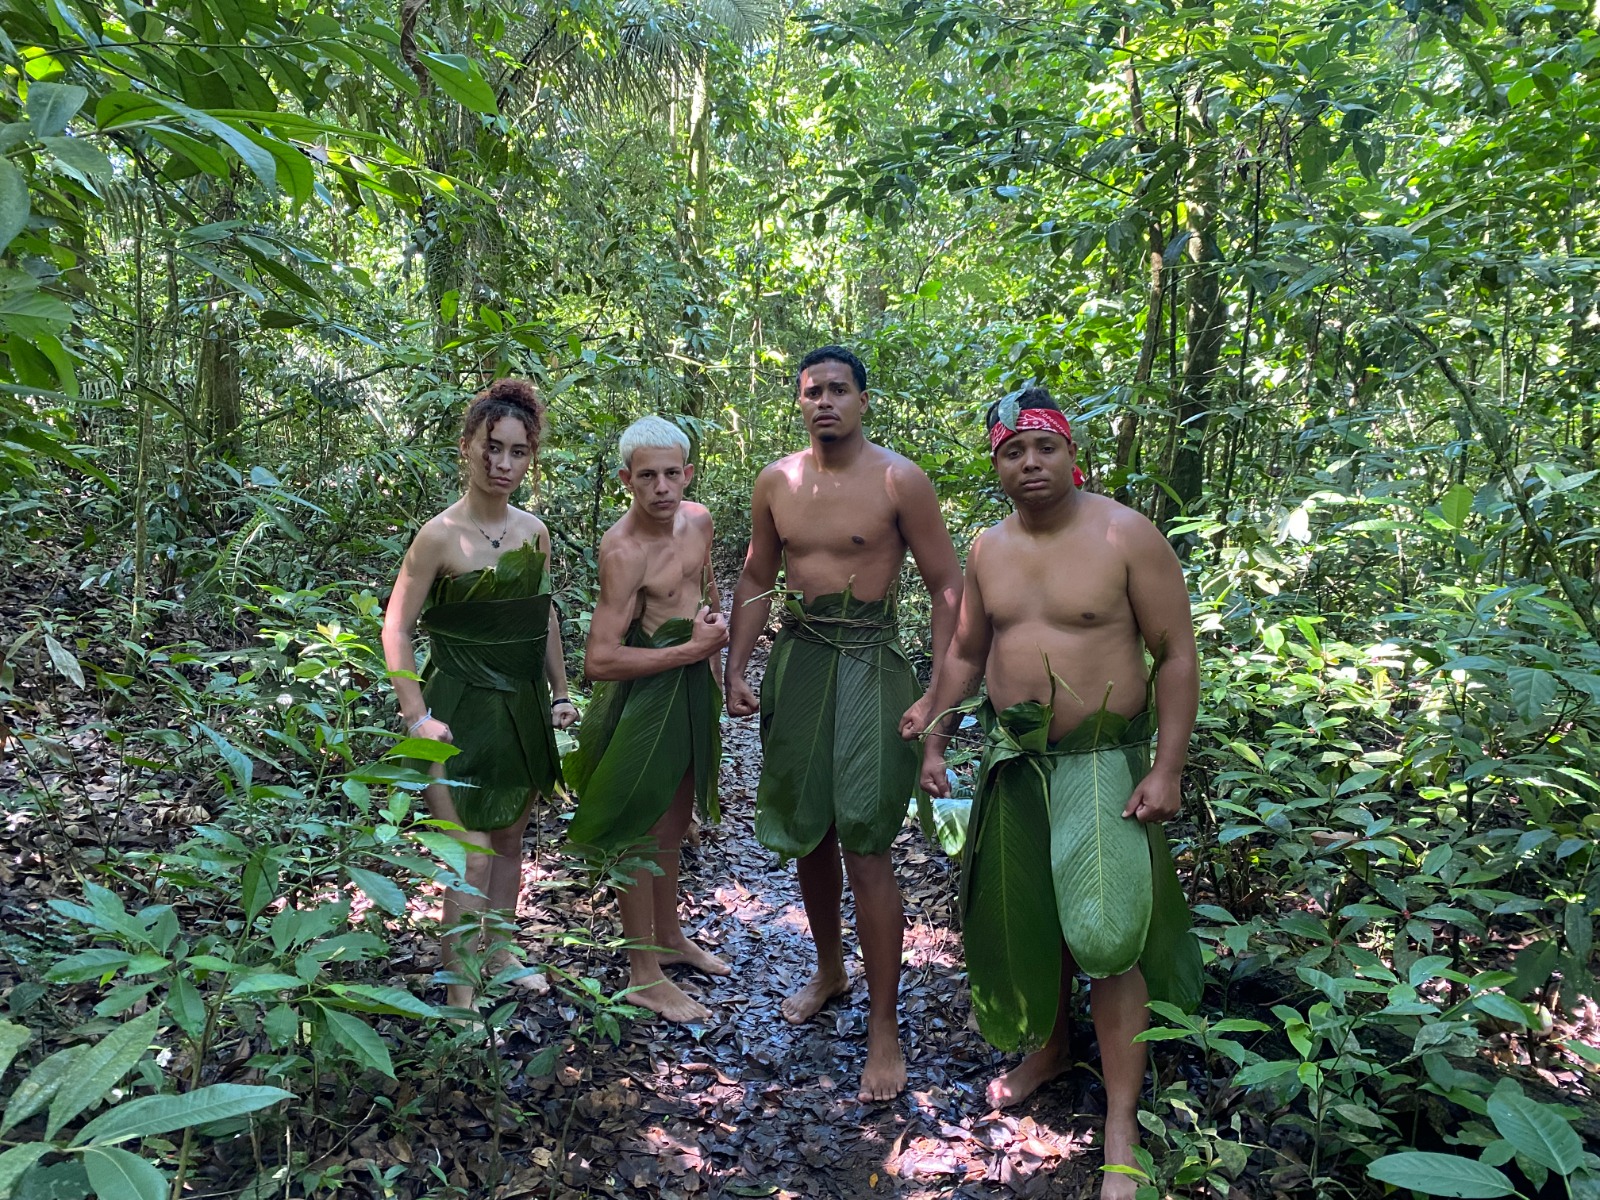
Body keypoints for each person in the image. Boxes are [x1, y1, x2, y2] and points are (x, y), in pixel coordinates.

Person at [912, 387, 1202, 1198]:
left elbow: (1175, 652)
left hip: (1102, 759)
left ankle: (1120, 1124)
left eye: (1043, 447)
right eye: (1013, 451)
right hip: (1016, 762)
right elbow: (967, 653)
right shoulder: (987, 548)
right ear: (997, 463)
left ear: (1071, 452)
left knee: (1107, 937)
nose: (1030, 463)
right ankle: (1050, 1048)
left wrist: (1167, 766)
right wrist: (936, 729)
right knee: (1029, 917)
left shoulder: (1123, 533)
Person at [725, 345, 962, 1102]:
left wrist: (938, 701)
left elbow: (947, 587)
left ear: (863, 400)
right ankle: (830, 968)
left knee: (866, 840)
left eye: (837, 390)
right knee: (807, 827)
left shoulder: (899, 480)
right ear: (799, 403)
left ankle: (884, 1029)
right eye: (811, 392)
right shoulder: (778, 482)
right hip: (799, 659)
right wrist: (735, 666)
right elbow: (760, 574)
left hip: (871, 659)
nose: (823, 401)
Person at [381, 378, 578, 1014]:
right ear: (467, 445)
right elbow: (398, 627)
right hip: (457, 705)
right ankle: (460, 992)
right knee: (467, 851)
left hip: (519, 709)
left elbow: (540, 617)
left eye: (518, 453)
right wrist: (417, 716)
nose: (502, 465)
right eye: (491, 448)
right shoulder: (439, 535)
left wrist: (561, 691)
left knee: (511, 840)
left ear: (532, 458)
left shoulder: (534, 533)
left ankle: (500, 951)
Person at [565, 416, 730, 1024]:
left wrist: (713, 668)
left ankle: (669, 938)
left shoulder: (700, 520)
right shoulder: (623, 550)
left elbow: (705, 594)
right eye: (647, 476)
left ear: (687, 473)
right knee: (639, 822)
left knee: (675, 821)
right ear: (625, 480)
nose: (661, 487)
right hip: (643, 693)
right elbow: (600, 659)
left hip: (690, 689)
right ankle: (642, 974)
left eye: (671, 474)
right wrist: (688, 652)